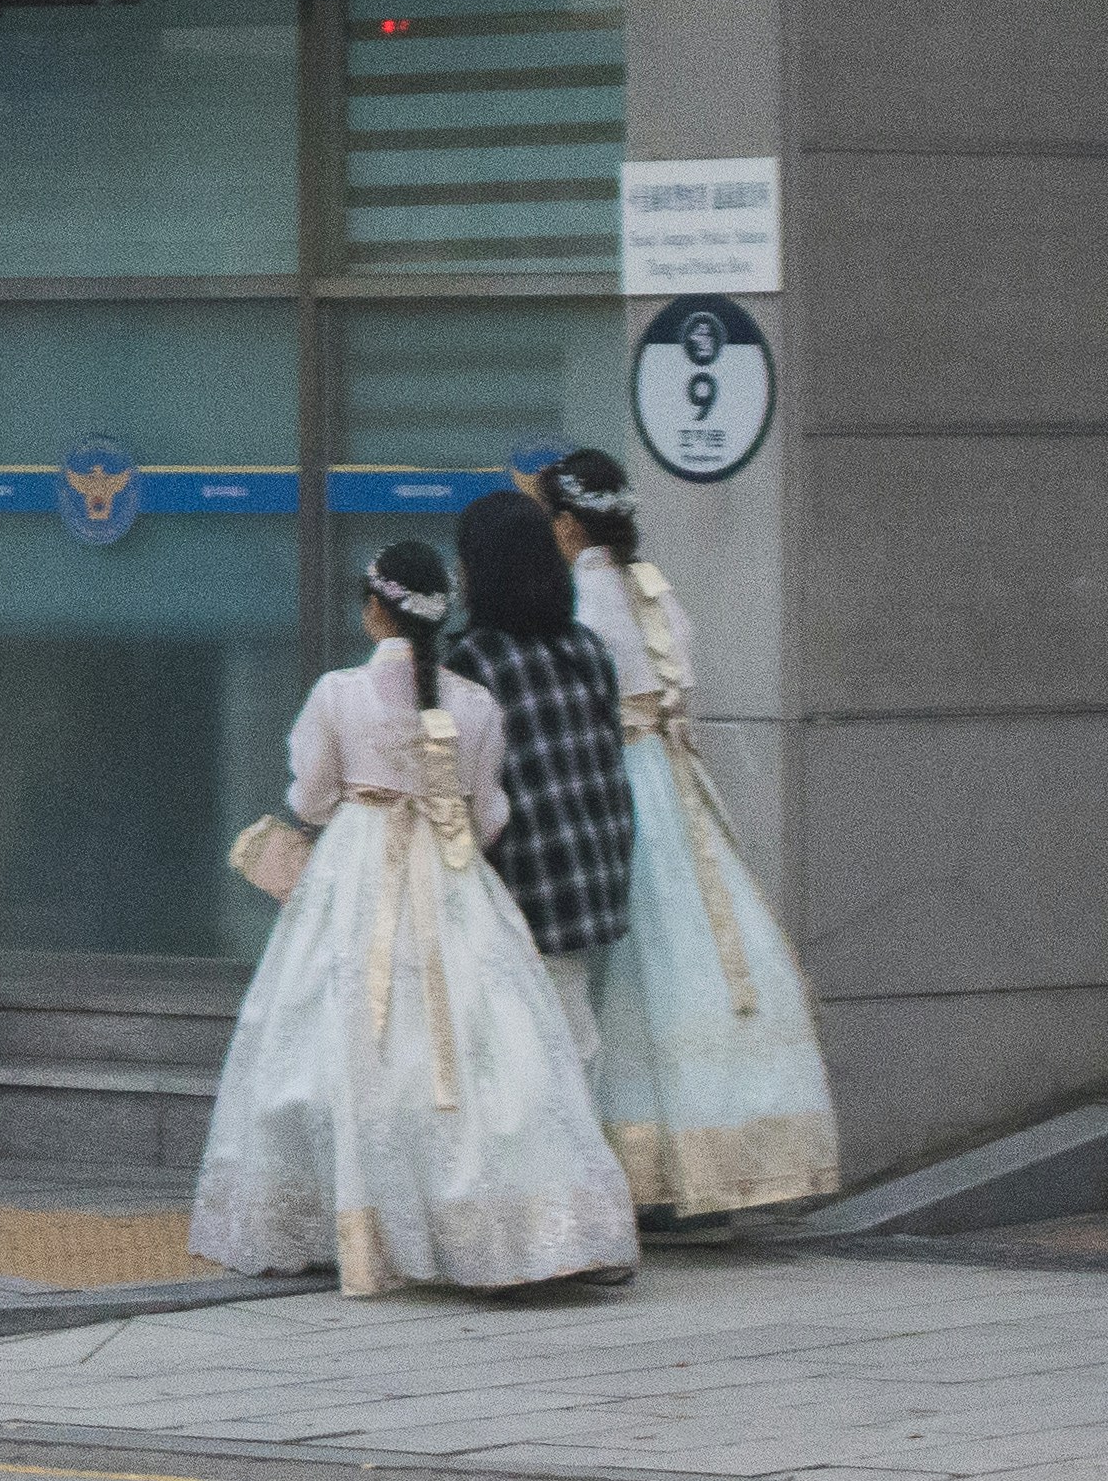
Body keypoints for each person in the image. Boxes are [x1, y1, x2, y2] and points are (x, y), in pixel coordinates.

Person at [191, 544, 639, 1298]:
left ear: (374, 610)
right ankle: (492, 1218)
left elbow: (308, 798)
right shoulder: (473, 702)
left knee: (338, 1034)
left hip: (353, 866)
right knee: (474, 1043)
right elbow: (488, 815)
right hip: (451, 875)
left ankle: (350, 1212)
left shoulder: (336, 693)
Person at [531, 446, 843, 1216]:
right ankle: (707, 1167)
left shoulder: (579, 604)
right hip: (678, 785)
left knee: (627, 970)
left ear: (568, 525)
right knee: (692, 956)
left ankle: (634, 1174)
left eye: (548, 518)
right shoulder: (657, 594)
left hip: (615, 779)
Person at [448, 484, 640, 1001]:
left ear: (479, 572)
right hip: (592, 875)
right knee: (572, 1034)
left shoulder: (472, 663)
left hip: (523, 885)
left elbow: (462, 798)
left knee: (533, 1052)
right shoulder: (587, 648)